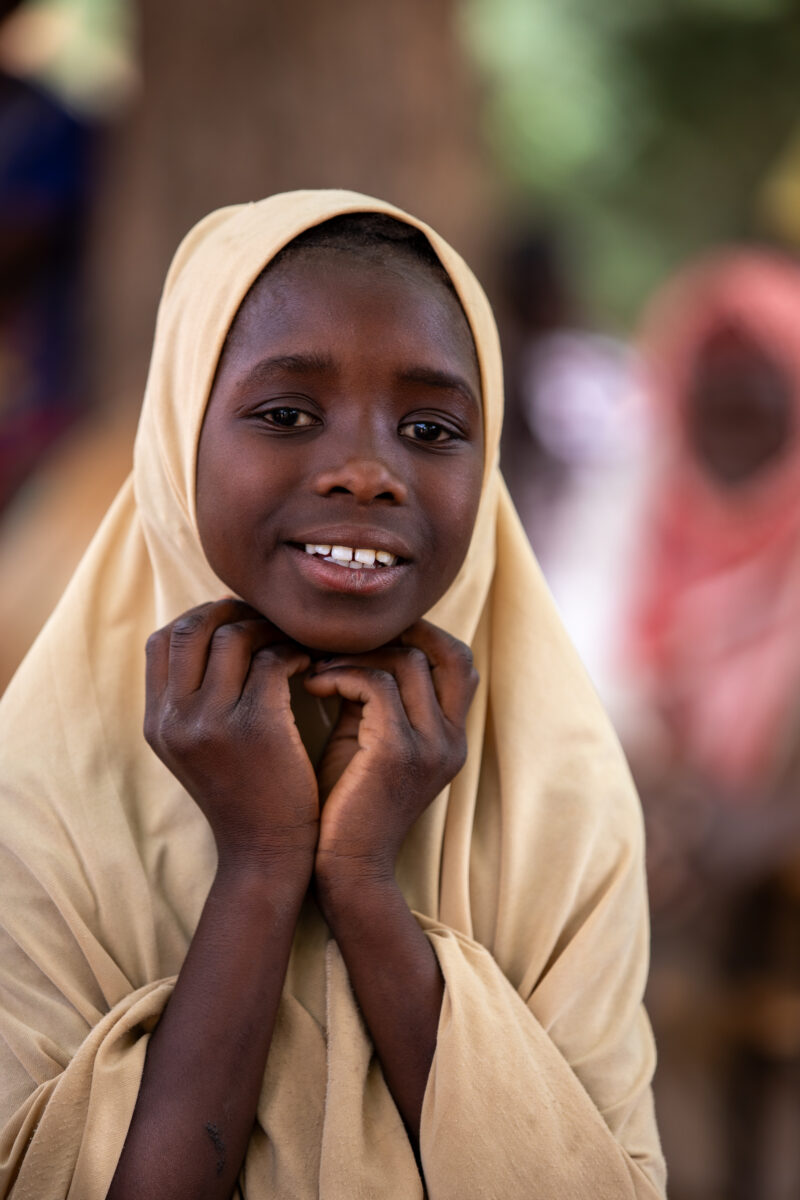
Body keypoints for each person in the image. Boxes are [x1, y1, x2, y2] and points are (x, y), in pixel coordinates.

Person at [0, 190, 665, 1199]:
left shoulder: (557, 793)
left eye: (432, 428)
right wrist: (262, 866)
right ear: (179, 437)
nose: (366, 472)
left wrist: (360, 881)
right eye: (284, 414)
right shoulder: (39, 788)